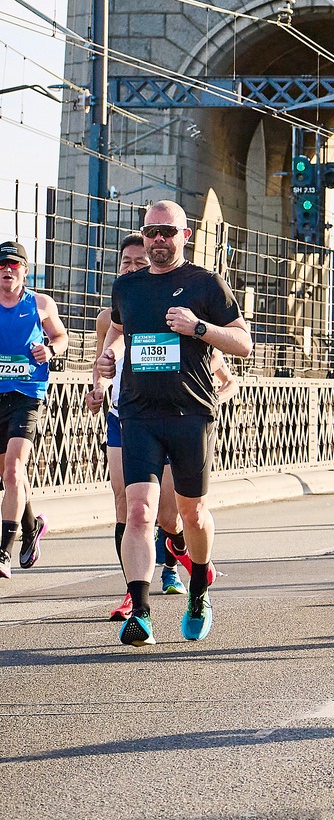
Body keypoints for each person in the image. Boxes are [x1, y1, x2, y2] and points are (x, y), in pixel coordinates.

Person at [94, 200, 251, 646]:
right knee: (139, 511)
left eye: (167, 231)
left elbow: (244, 343)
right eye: (151, 232)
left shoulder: (205, 283)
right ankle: (140, 611)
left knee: (191, 514)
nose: (158, 239)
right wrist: (110, 359)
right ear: (143, 236)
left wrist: (199, 328)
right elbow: (122, 337)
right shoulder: (127, 288)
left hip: (190, 414)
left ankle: (199, 589)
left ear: (185, 235)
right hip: (138, 414)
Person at [86, 235, 151, 617]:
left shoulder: (164, 305)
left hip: (162, 415)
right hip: (120, 415)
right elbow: (101, 364)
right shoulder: (107, 318)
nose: (130, 268)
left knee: (169, 514)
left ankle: (175, 555)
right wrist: (97, 390)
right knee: (125, 501)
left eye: (139, 263)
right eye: (125, 262)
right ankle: (132, 590)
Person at [0, 239, 67, 579]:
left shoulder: (39, 303)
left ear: (25, 271)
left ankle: (3, 552)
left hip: (27, 394)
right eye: (1, 266)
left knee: (14, 470)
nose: (7, 271)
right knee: (9, 477)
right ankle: (31, 527)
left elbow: (61, 336)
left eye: (14, 266)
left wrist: (50, 350)